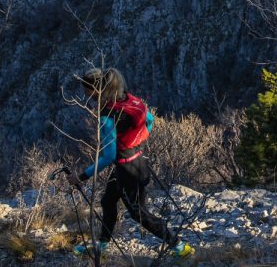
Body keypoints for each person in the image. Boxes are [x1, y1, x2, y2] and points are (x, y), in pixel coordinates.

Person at [67, 67, 193, 259]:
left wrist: (81, 177)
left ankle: (180, 246)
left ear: (95, 90)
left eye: (87, 90)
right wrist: (135, 142)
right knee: (108, 201)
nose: (86, 94)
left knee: (138, 214)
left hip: (128, 171)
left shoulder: (108, 115)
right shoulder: (127, 99)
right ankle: (102, 245)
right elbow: (149, 120)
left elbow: (108, 156)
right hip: (135, 161)